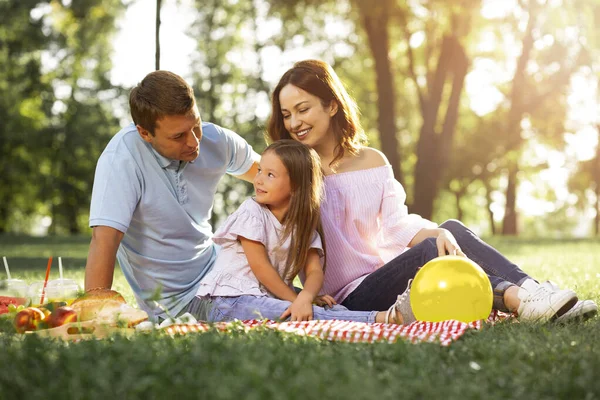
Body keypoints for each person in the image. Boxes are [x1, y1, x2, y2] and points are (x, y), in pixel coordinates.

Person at [266, 59, 598, 324]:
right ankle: (519, 299)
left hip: (389, 275)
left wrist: (437, 232)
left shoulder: (372, 162)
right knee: (430, 250)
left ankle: (534, 293)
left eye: (303, 109)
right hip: (348, 296)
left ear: (332, 106)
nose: (294, 122)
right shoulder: (291, 171)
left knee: (447, 230)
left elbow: (396, 225)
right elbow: (279, 240)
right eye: (287, 114)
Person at [85, 70, 260, 321]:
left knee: (297, 303)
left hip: (225, 274)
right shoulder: (122, 159)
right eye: (178, 136)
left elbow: (276, 177)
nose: (193, 142)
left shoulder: (216, 140)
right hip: (180, 304)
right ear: (145, 133)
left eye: (196, 126)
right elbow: (105, 240)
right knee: (290, 314)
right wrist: (95, 317)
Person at [193, 140, 406, 324]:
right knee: (297, 313)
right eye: (259, 171)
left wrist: (307, 295)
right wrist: (298, 301)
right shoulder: (252, 212)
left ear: (295, 186)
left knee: (331, 309)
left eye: (270, 175)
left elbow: (314, 271)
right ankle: (377, 319)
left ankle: (359, 319)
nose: (258, 180)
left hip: (266, 296)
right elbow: (261, 268)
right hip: (228, 301)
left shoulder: (301, 227)